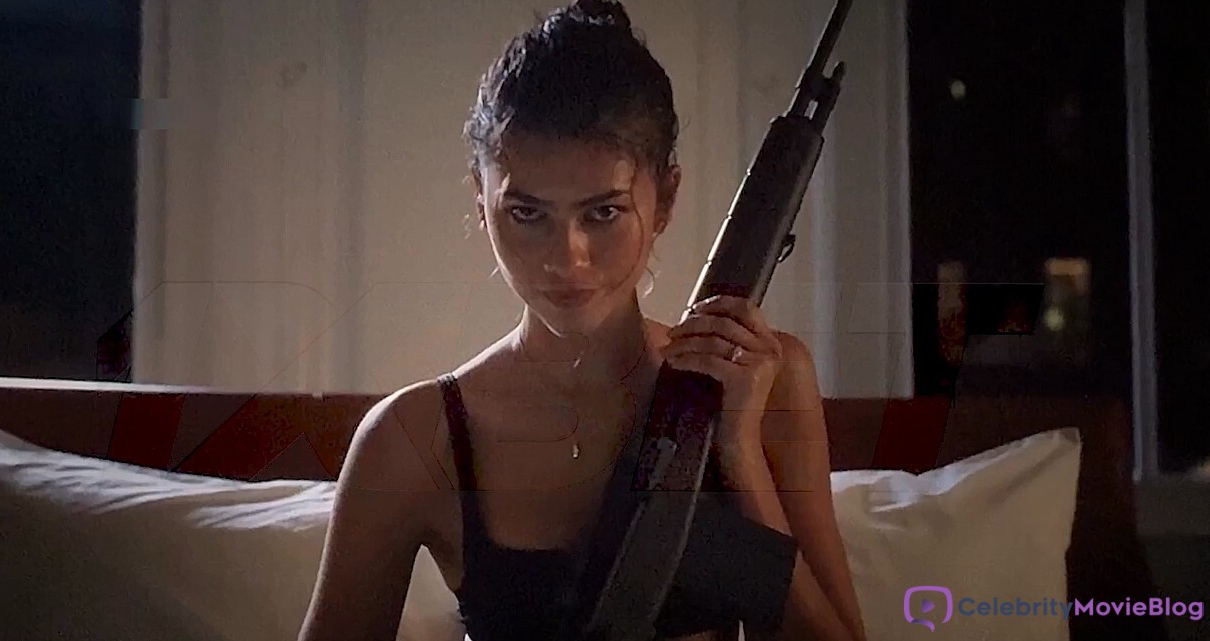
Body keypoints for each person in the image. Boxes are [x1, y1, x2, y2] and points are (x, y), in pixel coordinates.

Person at [298, 1, 866, 639]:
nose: (567, 258)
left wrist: (738, 452)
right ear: (481, 203)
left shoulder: (765, 382)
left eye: (603, 213)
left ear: (666, 198)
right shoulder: (413, 440)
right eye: (527, 213)